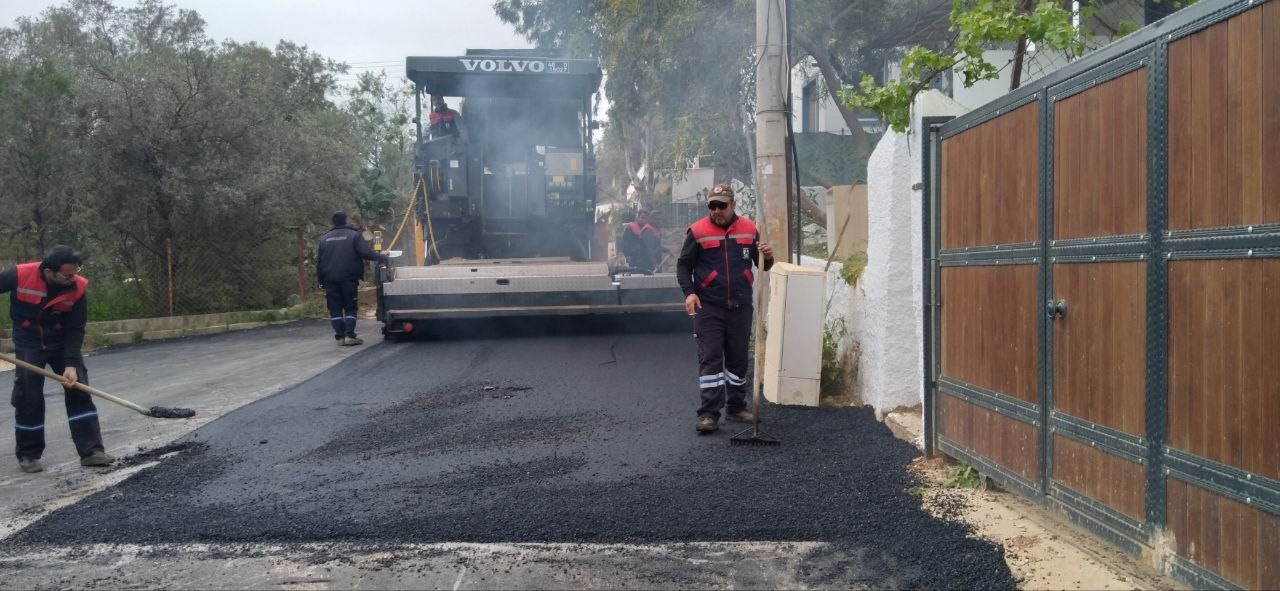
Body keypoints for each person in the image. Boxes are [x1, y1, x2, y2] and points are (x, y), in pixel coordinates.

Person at [2, 245, 113, 473]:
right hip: (29, 340)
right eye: (67, 274)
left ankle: (92, 451)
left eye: (75, 272)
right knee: (28, 395)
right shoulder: (20, 274)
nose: (73, 278)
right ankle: (28, 455)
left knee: (79, 389)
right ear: (49, 271)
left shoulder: (78, 287)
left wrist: (71, 363)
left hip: (62, 341)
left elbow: (76, 327)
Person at [676, 183, 774, 433]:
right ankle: (709, 413)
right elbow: (683, 266)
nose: (716, 210)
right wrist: (689, 293)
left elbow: (762, 266)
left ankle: (736, 406)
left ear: (733, 205)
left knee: (738, 359)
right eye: (712, 206)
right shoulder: (697, 231)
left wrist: (768, 256)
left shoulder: (750, 229)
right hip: (709, 306)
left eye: (721, 206)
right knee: (710, 359)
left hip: (741, 306)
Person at [317, 211, 388, 346]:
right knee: (350, 307)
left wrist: (321, 281)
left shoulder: (324, 239)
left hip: (330, 279)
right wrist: (382, 257)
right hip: (348, 278)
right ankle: (350, 335)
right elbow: (365, 253)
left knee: (335, 308)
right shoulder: (354, 236)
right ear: (345, 221)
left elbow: (319, 262)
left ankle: (340, 337)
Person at [616, 208, 663, 273]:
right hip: (633, 257)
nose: (643, 220)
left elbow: (652, 245)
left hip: (643, 258)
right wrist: (627, 255)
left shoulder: (649, 229)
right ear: (637, 217)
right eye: (642, 218)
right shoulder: (630, 228)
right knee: (635, 273)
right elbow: (625, 243)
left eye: (646, 218)